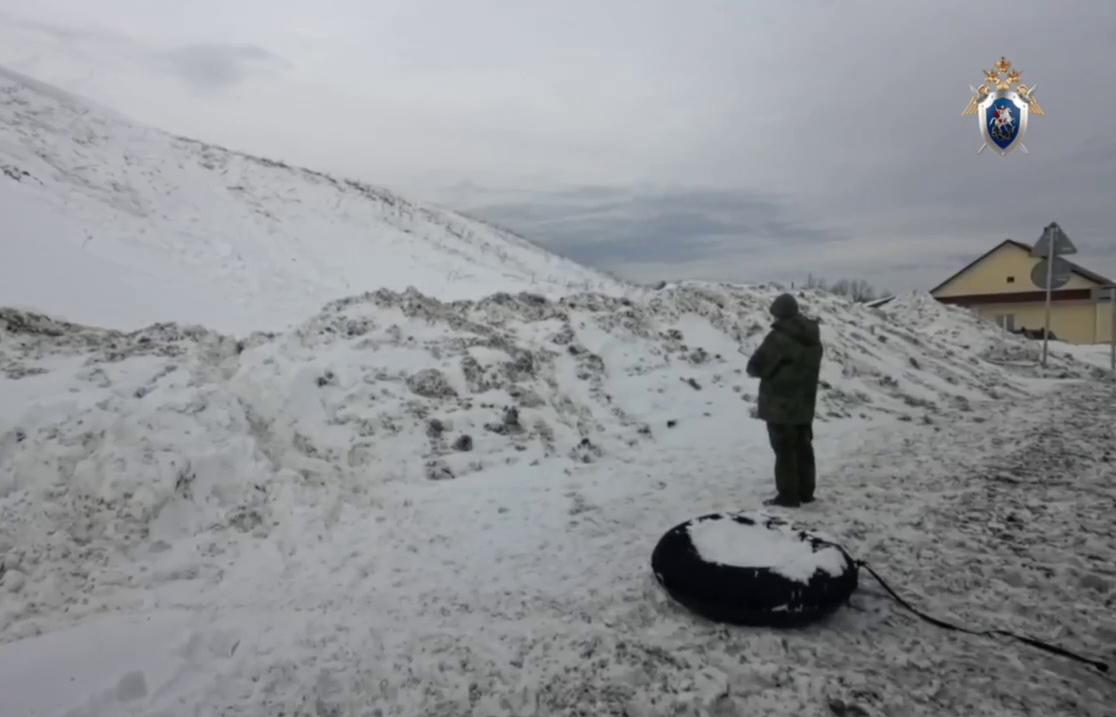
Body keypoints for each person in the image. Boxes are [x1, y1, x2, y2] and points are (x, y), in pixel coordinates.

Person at [746, 293, 823, 507]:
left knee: (784, 451)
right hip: (804, 403)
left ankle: (788, 496)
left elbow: (755, 366)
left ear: (779, 313)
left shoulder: (778, 337)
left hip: (780, 405)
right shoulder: (813, 337)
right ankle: (806, 492)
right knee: (803, 448)